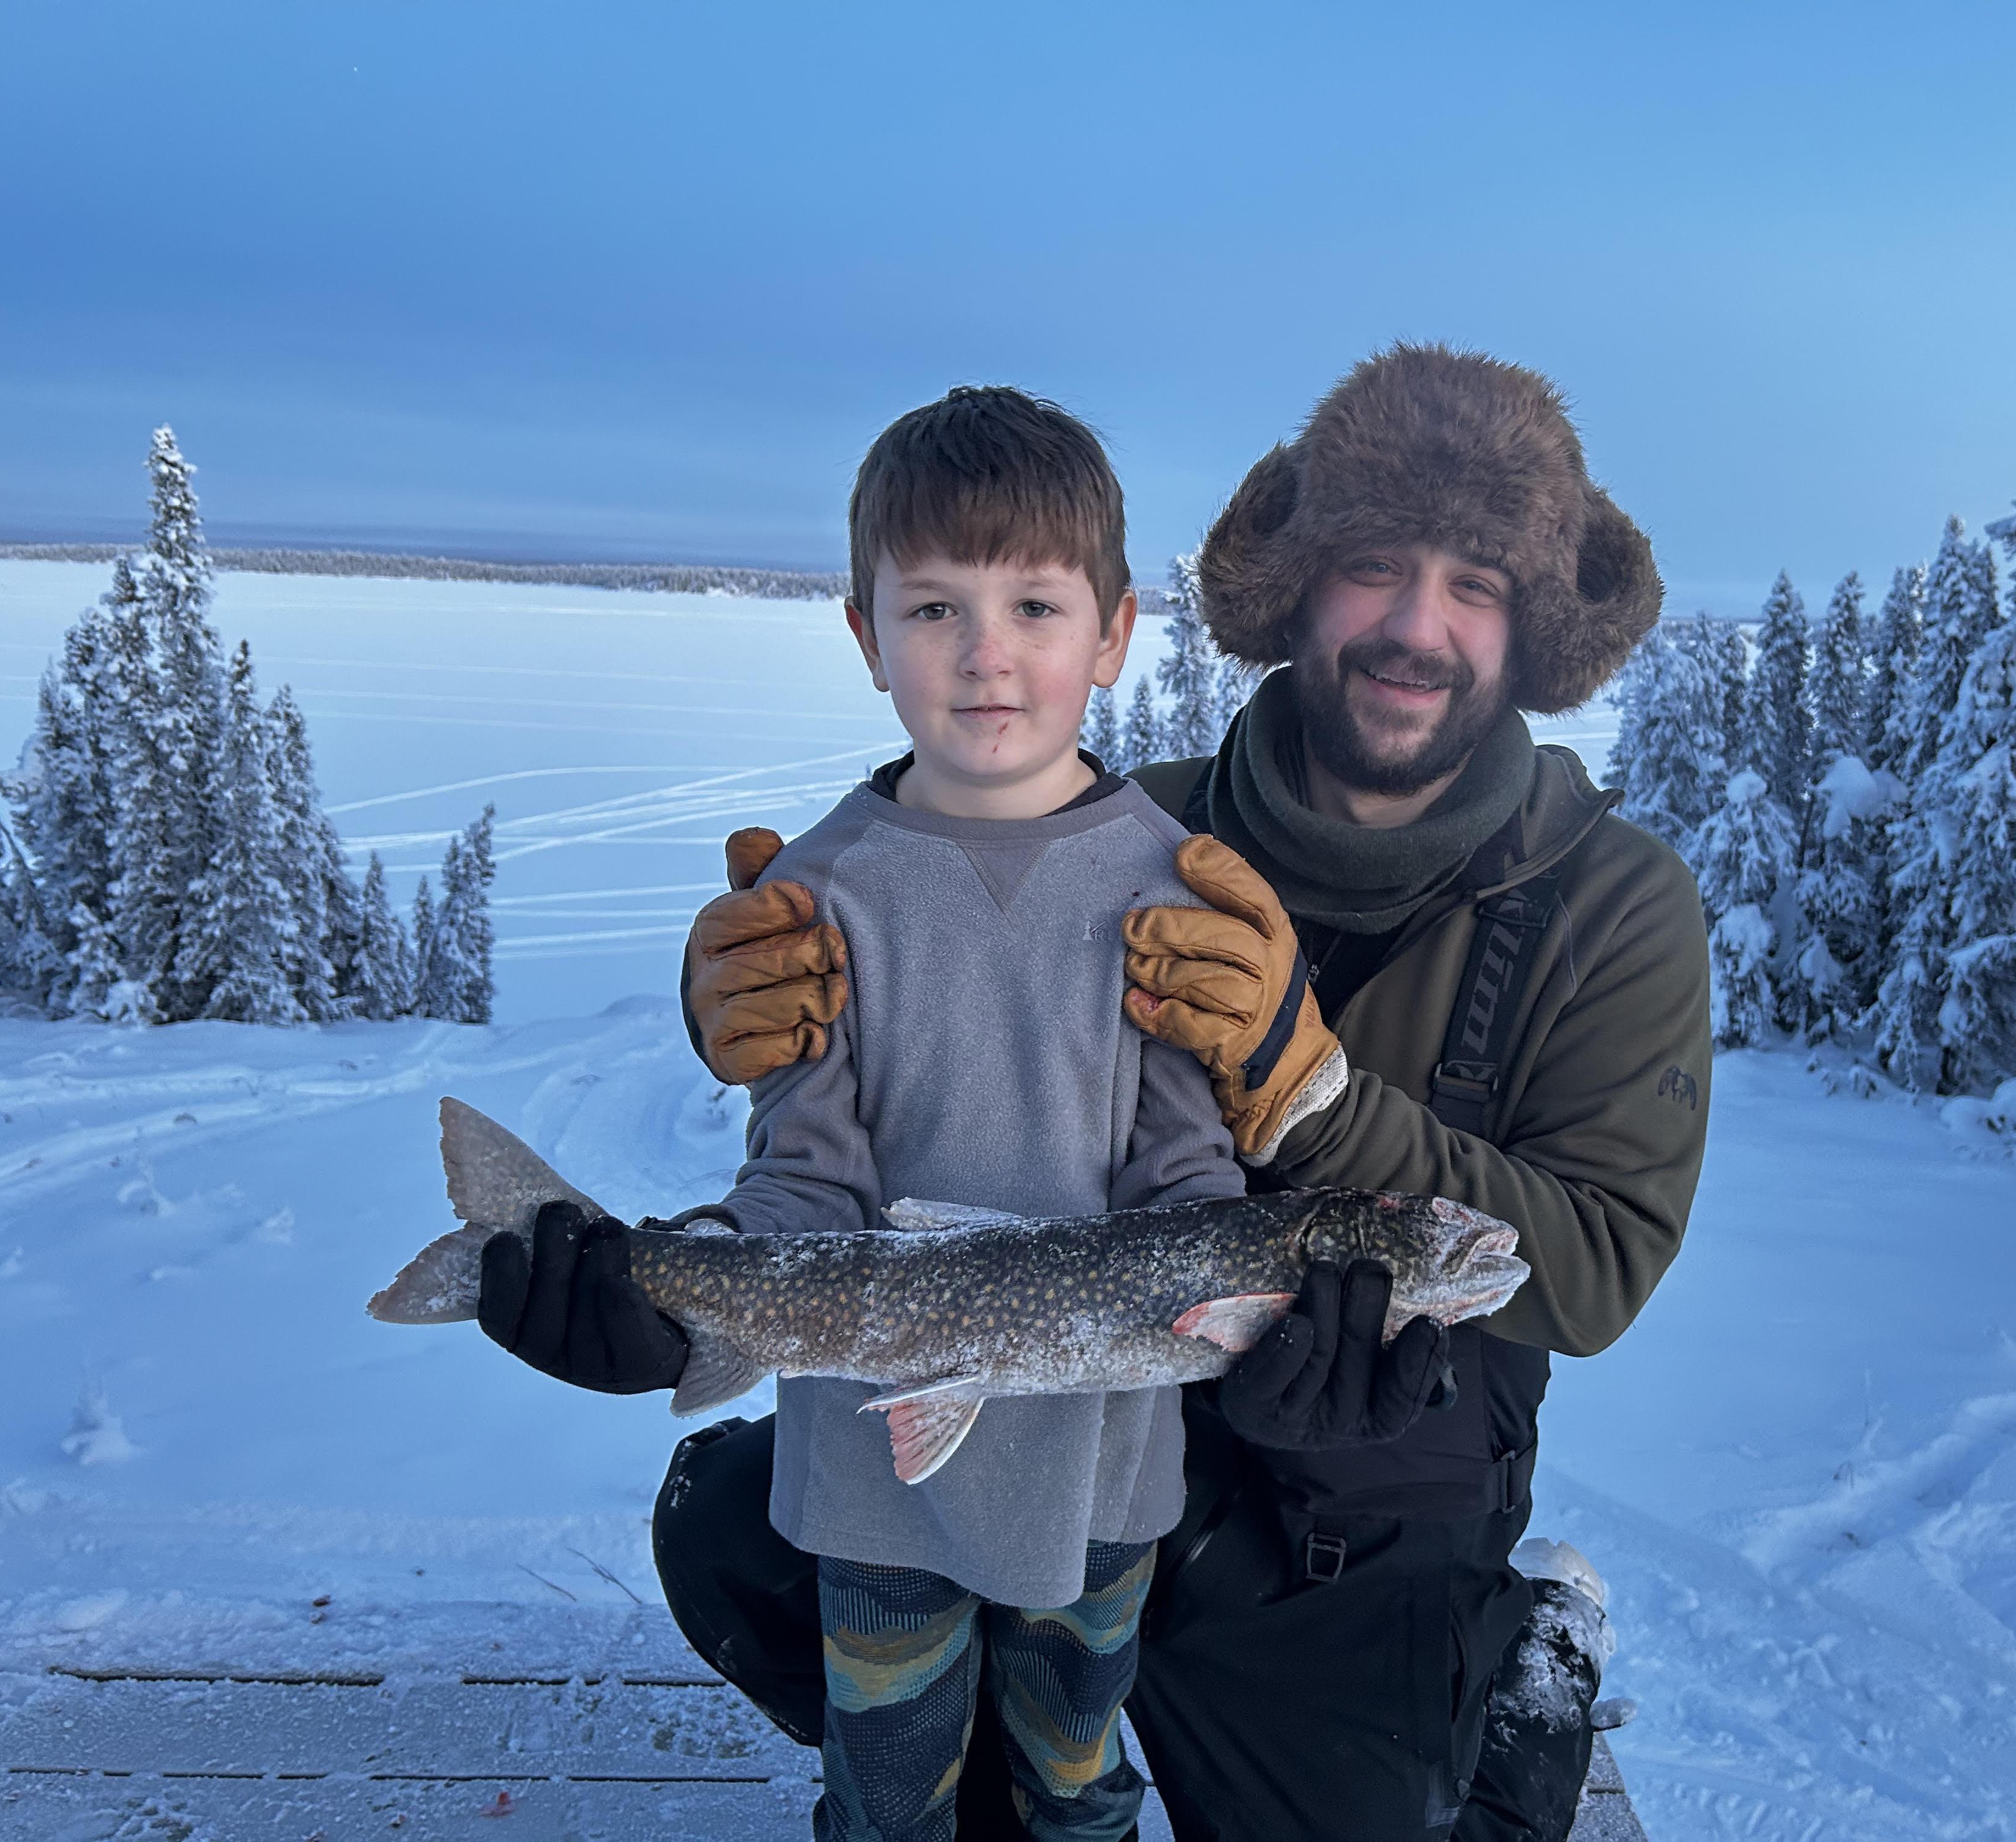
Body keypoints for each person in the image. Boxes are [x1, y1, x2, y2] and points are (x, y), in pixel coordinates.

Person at [682, 345, 1715, 1838]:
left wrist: (1317, 1108)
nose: (1418, 626)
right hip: (1075, 1433)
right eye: (1373, 566)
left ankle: (1527, 1672)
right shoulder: (1142, 824)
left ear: (1535, 624)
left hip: (1350, 1527)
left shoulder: (1611, 905)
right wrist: (750, 987)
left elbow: (1603, 1266)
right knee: (734, 1528)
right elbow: (941, 825)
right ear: (1294, 586)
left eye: (1477, 582)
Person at [474, 386, 1450, 1841]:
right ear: (866, 634)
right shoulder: (815, 895)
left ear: (1114, 633)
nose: (987, 652)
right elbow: (803, 1180)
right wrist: (675, 1290)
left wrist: (1249, 1286)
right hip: (868, 1464)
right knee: (885, 1782)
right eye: (934, 608)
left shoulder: (1184, 889)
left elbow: (1188, 1175)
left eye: (1036, 606)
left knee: (1075, 1765)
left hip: (1106, 1465)